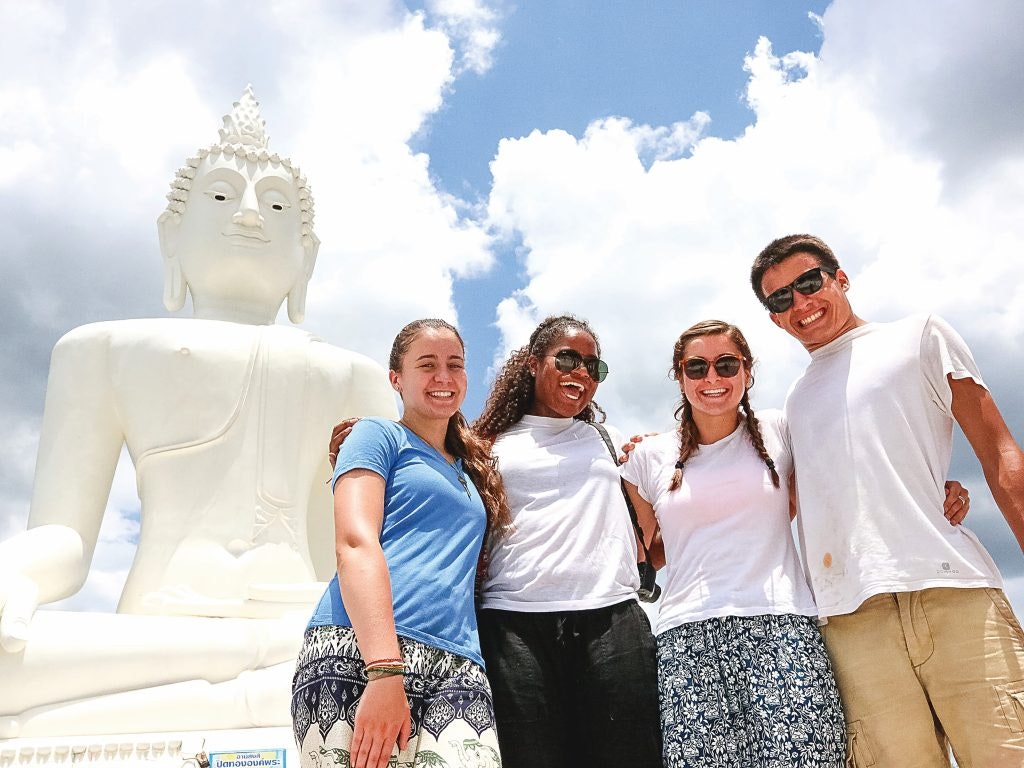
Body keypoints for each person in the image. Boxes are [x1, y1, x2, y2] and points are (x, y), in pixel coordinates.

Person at [0, 87, 397, 738]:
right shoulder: (102, 350)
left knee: (378, 666)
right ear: (170, 237)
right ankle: (268, 693)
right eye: (218, 196)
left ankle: (258, 690)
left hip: (300, 620)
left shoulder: (355, 376)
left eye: (275, 205)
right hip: (159, 627)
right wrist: (15, 573)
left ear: (308, 257)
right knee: (9, 663)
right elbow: (65, 540)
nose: (248, 215)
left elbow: (361, 548)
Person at [751, 233, 1024, 767]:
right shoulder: (795, 400)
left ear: (841, 278)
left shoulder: (921, 334)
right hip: (850, 621)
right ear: (775, 318)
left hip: (952, 591)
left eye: (809, 283)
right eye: (781, 298)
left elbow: (999, 453)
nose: (801, 304)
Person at [620, 319, 846, 767]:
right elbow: (642, 557)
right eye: (697, 368)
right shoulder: (647, 458)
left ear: (747, 371)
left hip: (784, 628)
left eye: (726, 365)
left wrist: (941, 486)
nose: (712, 379)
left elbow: (846, 471)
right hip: (686, 637)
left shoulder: (782, 430)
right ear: (679, 376)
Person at [291, 319, 510, 768]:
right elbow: (354, 541)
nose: (443, 377)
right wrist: (385, 670)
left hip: (459, 662)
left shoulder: (472, 473)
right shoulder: (377, 436)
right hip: (359, 652)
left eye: (455, 365)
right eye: (427, 365)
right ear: (396, 378)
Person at [472, 314, 663, 768]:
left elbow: (652, 519)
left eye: (594, 367)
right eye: (569, 359)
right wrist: (365, 432)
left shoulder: (608, 440)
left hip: (612, 621)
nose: (582, 373)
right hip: (514, 628)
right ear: (534, 363)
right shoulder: (485, 443)